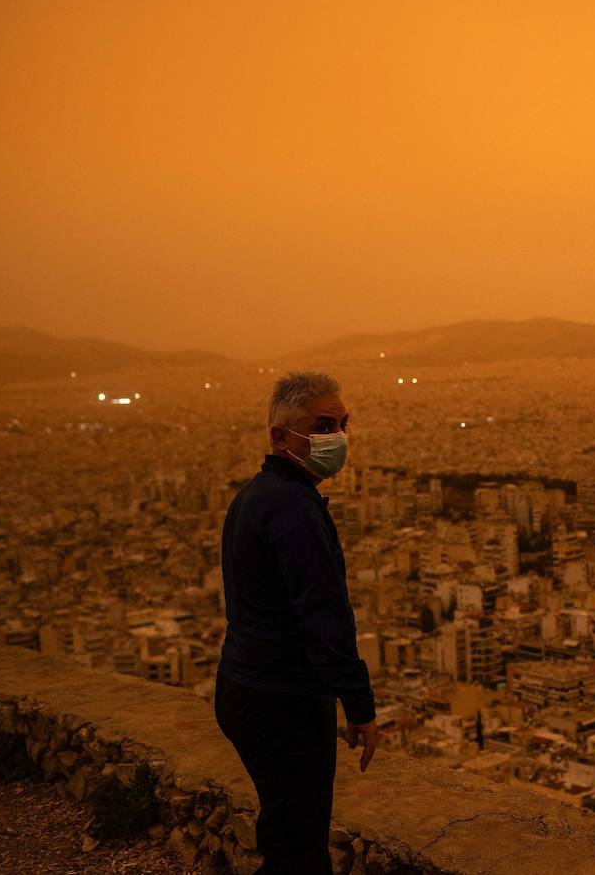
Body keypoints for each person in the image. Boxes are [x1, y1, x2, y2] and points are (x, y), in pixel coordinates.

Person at [215, 371, 382, 874]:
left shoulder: (257, 496)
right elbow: (325, 615)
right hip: (281, 699)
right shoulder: (291, 507)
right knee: (300, 850)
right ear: (280, 436)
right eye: (323, 425)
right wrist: (360, 705)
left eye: (342, 424)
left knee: (289, 835)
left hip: (245, 685)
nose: (337, 436)